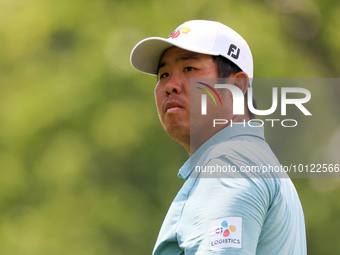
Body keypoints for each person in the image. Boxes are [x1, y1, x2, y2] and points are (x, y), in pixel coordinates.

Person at [130, 20, 306, 255]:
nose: (170, 85)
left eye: (189, 69)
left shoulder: (231, 163)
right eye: (163, 74)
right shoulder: (249, 159)